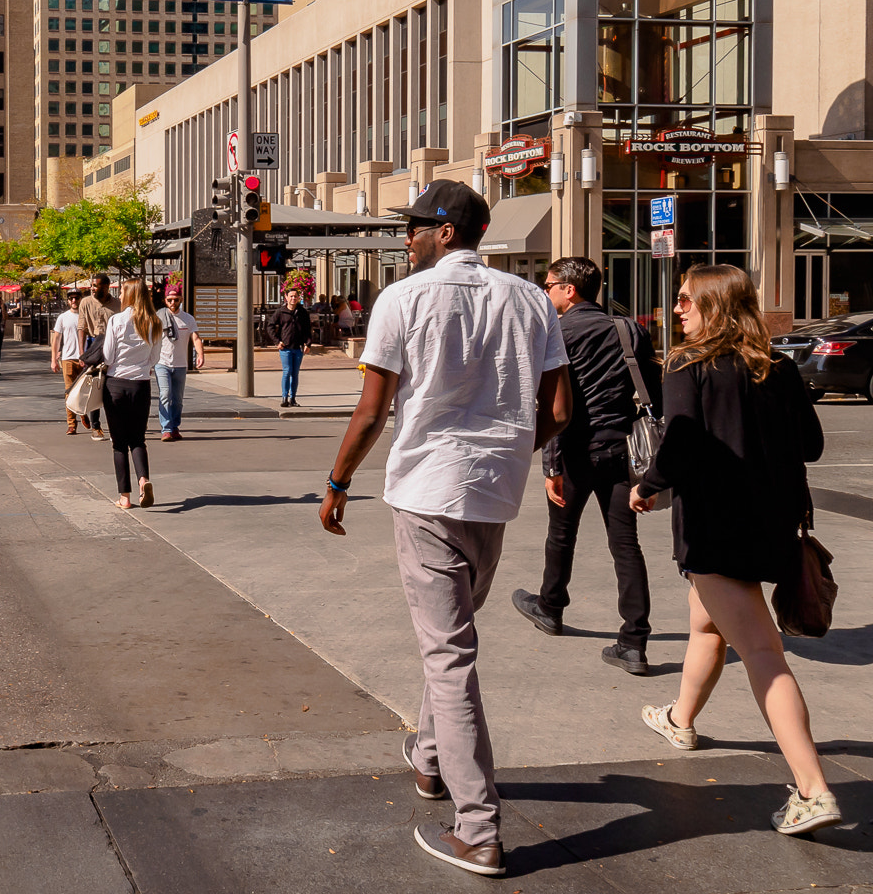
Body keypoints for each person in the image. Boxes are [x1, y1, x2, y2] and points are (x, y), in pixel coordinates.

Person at [319, 180, 571, 879]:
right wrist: (514, 449)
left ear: (449, 232)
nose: (407, 238)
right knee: (451, 640)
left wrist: (338, 483)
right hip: (493, 493)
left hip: (428, 490)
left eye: (416, 227)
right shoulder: (529, 299)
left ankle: (478, 829)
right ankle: (431, 762)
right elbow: (559, 407)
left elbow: (372, 412)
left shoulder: (401, 300)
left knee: (450, 656)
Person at [631, 264, 839, 838]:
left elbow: (681, 439)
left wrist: (648, 485)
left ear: (714, 306)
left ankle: (812, 789)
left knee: (763, 655)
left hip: (718, 527)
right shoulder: (779, 367)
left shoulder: (688, 364)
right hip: (772, 525)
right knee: (707, 625)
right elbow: (813, 446)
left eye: (685, 301)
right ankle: (681, 719)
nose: (677, 310)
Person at [510, 257, 660, 675]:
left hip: (576, 450)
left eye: (549, 285)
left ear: (569, 290)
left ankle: (550, 607)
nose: (546, 291)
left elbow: (554, 404)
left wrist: (550, 466)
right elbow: (653, 393)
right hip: (620, 451)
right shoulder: (629, 328)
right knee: (625, 545)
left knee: (561, 534)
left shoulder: (558, 333)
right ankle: (634, 642)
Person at [99, 280, 161, 509]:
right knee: (138, 439)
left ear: (131, 294)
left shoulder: (117, 320)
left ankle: (124, 497)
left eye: (123, 290)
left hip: (116, 383)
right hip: (141, 384)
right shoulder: (154, 322)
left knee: (118, 443)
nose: (119, 293)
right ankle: (143, 480)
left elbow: (108, 356)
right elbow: (155, 357)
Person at [50, 288, 103, 437]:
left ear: (81, 299)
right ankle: (72, 424)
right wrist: (53, 359)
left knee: (85, 391)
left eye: (76, 298)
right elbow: (56, 340)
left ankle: (83, 413)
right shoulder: (63, 318)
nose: (74, 301)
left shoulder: (87, 316)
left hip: (86, 360)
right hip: (67, 358)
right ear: (68, 301)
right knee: (69, 392)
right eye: (71, 298)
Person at [154, 284, 204, 441]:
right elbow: (152, 340)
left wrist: (200, 354)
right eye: (169, 300)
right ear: (165, 300)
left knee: (177, 399)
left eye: (176, 300)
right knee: (165, 394)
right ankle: (166, 428)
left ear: (181, 299)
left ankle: (175, 426)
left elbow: (195, 337)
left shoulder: (188, 318)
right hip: (162, 363)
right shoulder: (158, 317)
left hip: (181, 364)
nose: (172, 303)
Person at [267, 284, 313, 407]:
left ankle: (293, 398)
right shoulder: (280, 312)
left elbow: (308, 329)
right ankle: (284, 398)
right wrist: (277, 341)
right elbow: (270, 326)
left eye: (296, 296)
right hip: (285, 348)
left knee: (295, 373)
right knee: (287, 372)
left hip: (298, 348)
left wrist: (308, 344)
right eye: (291, 296)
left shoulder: (302, 312)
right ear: (286, 297)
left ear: (298, 298)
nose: (293, 298)